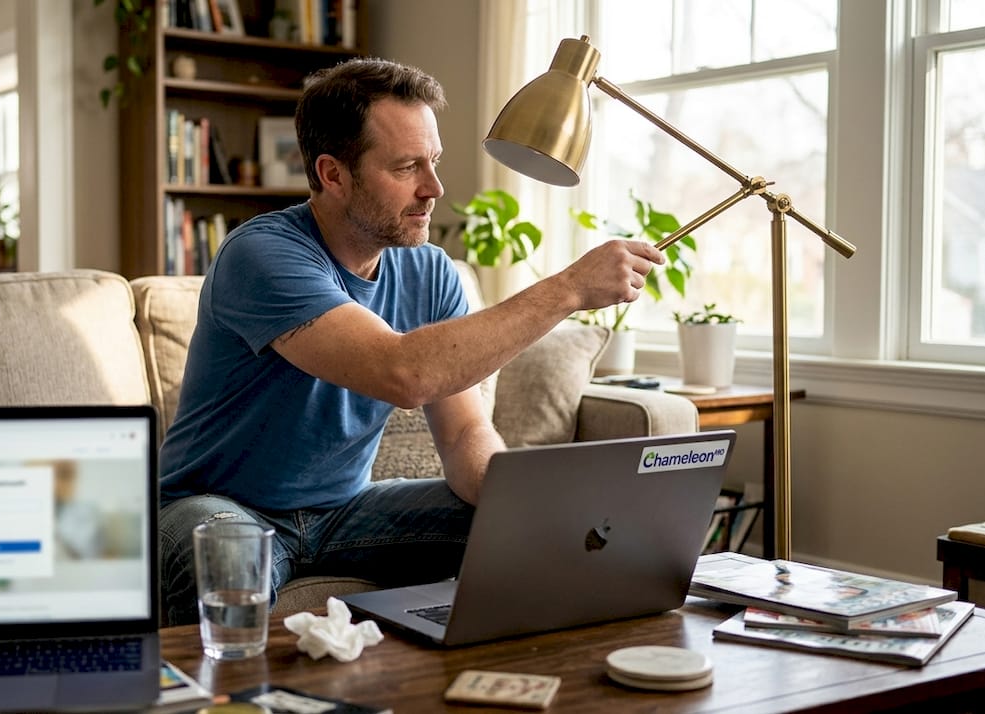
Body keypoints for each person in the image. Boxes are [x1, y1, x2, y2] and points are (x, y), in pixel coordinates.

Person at [157, 57, 664, 626]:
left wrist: (521, 503)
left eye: (434, 161)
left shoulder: (431, 273)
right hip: (217, 507)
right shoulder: (261, 255)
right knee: (226, 552)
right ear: (333, 174)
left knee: (532, 530)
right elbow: (402, 372)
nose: (434, 188)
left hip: (344, 512)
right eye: (406, 167)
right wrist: (568, 289)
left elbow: (465, 433)